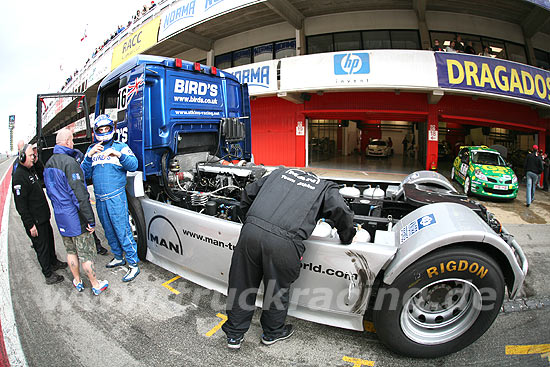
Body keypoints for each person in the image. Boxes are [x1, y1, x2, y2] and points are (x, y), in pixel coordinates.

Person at [222, 167, 355, 349]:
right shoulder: (324, 187)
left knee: (242, 282)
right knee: (277, 289)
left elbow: (248, 193)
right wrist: (347, 236)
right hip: (285, 242)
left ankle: (234, 336)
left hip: (250, 233)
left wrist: (248, 221)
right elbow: (341, 211)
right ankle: (272, 333)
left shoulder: (278, 173)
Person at [44, 129, 109, 295]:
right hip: (75, 218)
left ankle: (78, 281)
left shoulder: (49, 163)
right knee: (86, 254)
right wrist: (90, 219)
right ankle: (95, 284)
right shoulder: (70, 163)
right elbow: (79, 195)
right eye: (72, 141)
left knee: (71, 251)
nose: (73, 143)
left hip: (60, 217)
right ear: (66, 142)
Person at [81, 115, 140, 282]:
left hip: (116, 197)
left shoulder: (121, 146)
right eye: (101, 130)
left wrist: (118, 154)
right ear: (96, 131)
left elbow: (134, 165)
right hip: (100, 199)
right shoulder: (92, 149)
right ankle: (118, 257)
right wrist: (89, 157)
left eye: (107, 128)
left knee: (123, 230)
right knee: (108, 230)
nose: (104, 132)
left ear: (112, 129)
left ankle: (133, 264)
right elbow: (83, 175)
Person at [12, 143, 67, 284]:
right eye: (31, 155)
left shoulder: (30, 169)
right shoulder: (19, 176)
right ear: (22, 156)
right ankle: (48, 274)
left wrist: (36, 161)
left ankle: (53, 262)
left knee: (49, 241)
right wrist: (30, 225)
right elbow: (21, 206)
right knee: (41, 247)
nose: (33, 157)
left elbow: (42, 172)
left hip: (43, 216)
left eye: (34, 155)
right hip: (35, 221)